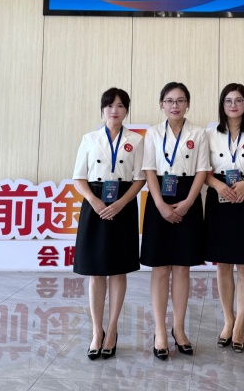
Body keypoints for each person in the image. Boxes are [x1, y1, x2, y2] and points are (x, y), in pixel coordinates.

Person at [72, 88, 146, 361]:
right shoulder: (89, 139)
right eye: (109, 106)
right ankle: (96, 331)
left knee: (118, 270)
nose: (114, 110)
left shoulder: (136, 140)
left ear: (126, 110)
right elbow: (79, 177)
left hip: (122, 206)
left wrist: (121, 203)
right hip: (95, 205)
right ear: (102, 110)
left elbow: (140, 178)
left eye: (120, 106)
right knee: (96, 272)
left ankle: (112, 329)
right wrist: (94, 201)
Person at [140, 82, 209, 360]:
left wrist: (189, 202)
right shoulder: (153, 133)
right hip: (159, 197)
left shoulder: (199, 133)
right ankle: (159, 331)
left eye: (180, 100)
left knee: (182, 268)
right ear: (161, 105)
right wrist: (159, 204)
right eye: (169, 101)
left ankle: (179, 329)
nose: (175, 106)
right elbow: (149, 170)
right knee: (160, 269)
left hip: (188, 196)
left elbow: (202, 170)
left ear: (188, 104)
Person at [205, 83, 244, 353]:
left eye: (239, 100)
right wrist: (217, 185)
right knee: (222, 263)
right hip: (219, 196)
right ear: (222, 104)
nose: (233, 105)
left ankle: (241, 323)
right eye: (228, 101)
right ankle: (228, 320)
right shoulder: (210, 134)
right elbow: (202, 170)